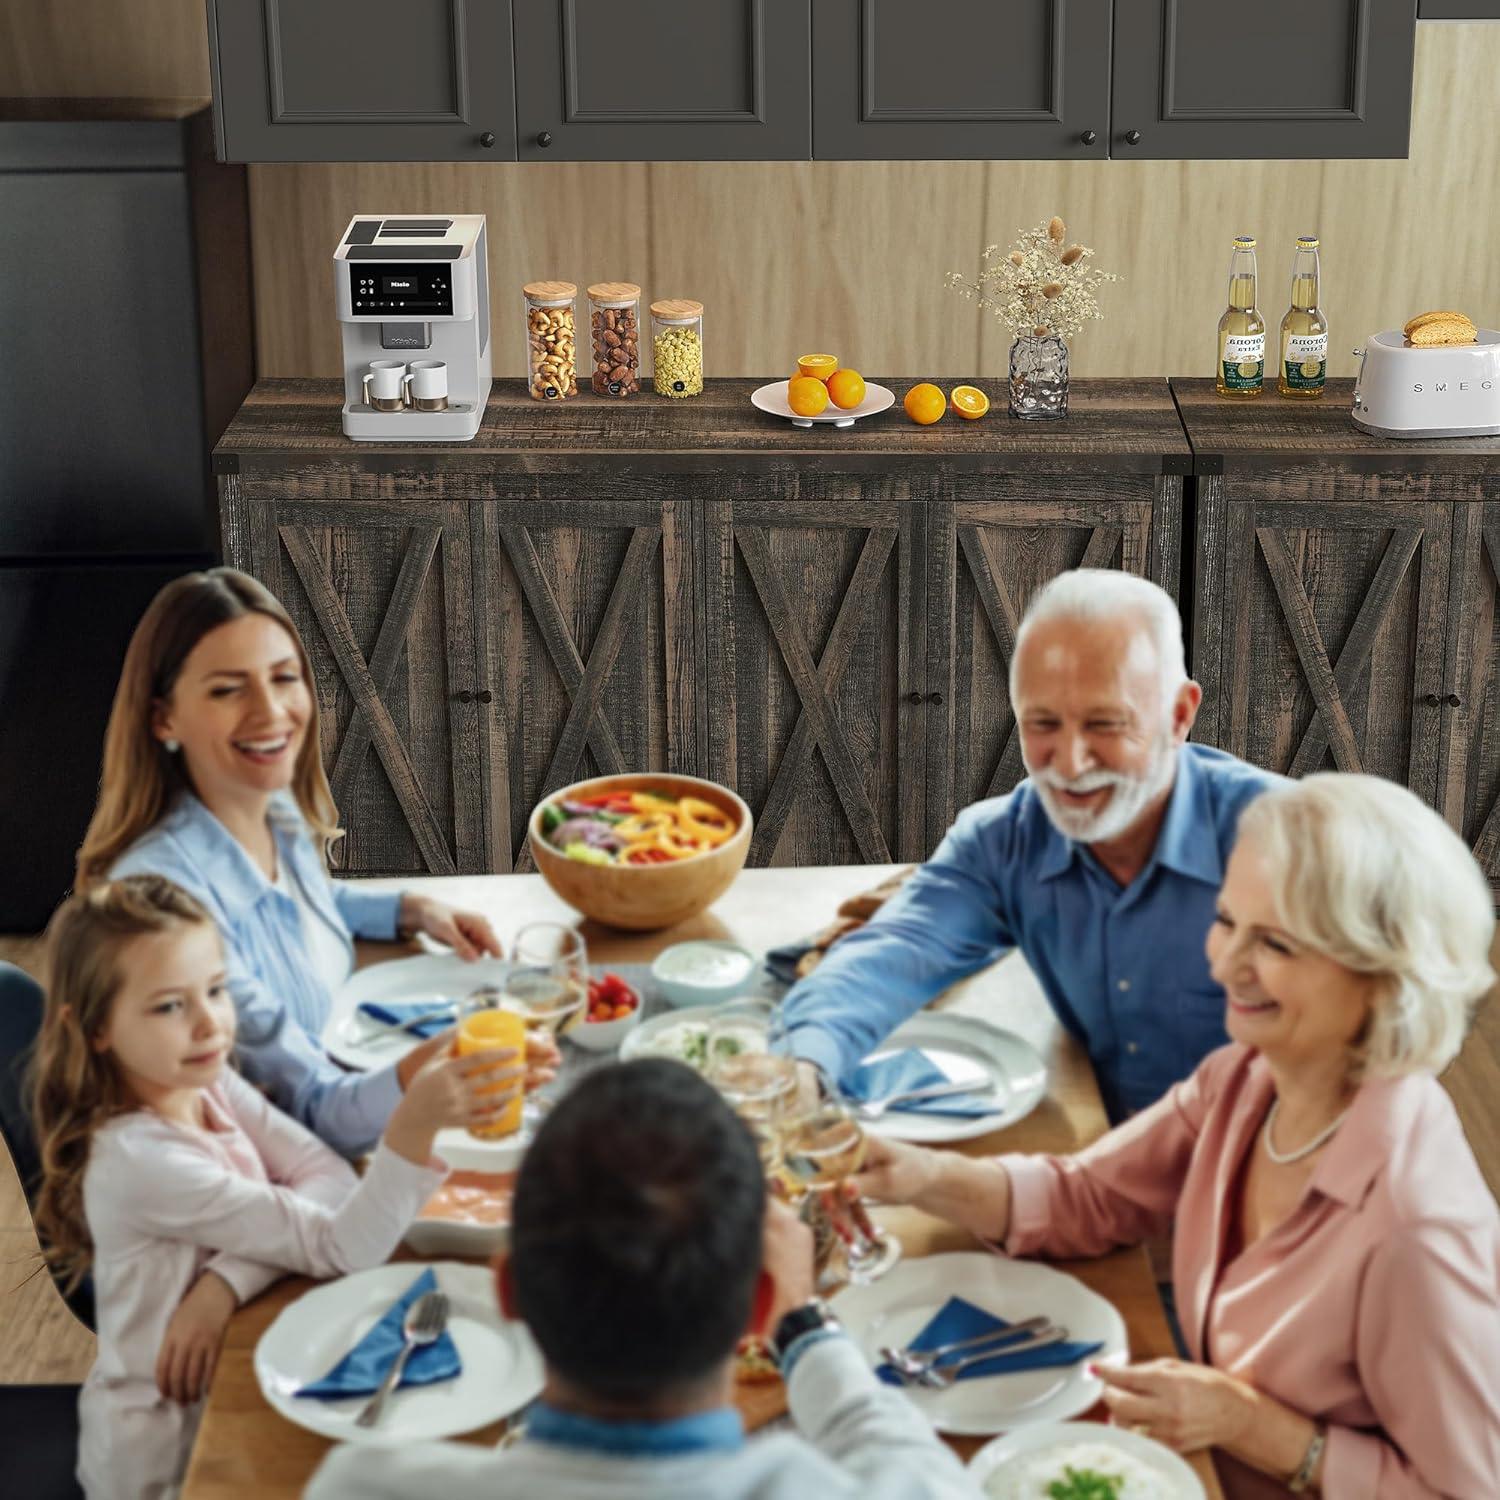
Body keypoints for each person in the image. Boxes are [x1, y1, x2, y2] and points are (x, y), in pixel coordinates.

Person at [852, 773, 1500, 1498]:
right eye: (1227, 921)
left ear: (1384, 980)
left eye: (1276, 945)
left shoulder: (1417, 1237)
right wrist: (917, 1175)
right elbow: (1089, 1197)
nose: (1223, 964)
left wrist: (1253, 1425)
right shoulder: (1248, 1080)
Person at [31, 874, 521, 1500]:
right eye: (169, 1006)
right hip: (169, 1462)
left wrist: (224, 1280)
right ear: (95, 1028)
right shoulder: (141, 1160)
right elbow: (346, 1246)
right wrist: (413, 1125)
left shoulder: (199, 1082)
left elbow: (330, 1176)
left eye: (215, 990)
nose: (209, 1024)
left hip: (236, 1360)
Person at [305, 1059, 980, 1500]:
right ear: (757, 1313)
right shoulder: (807, 1486)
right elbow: (917, 1468)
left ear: (509, 1291)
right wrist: (804, 1327)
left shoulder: (361, 1486)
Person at [76, 567, 555, 1155]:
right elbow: (314, 1110)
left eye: (284, 678)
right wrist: (442, 1066)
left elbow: (299, 904)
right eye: (228, 689)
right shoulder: (167, 901)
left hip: (343, 1096)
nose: (271, 711)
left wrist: (413, 910)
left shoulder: (266, 806)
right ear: (163, 718)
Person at [778, 568, 1281, 1120]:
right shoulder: (1002, 841)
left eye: (1106, 725)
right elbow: (888, 956)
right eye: (1041, 724)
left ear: (1179, 715)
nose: (1069, 764)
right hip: (1096, 1167)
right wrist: (803, 1067)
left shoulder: (1293, 842)